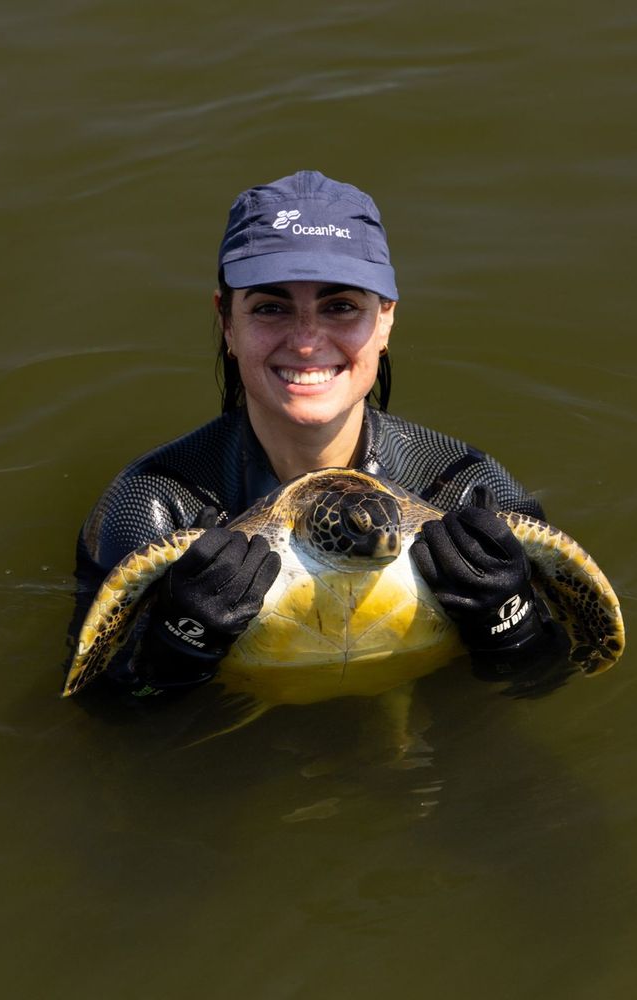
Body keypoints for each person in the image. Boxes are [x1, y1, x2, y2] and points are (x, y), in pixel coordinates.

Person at [69, 170, 569, 698]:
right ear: (227, 322)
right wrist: (179, 643)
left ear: (385, 321)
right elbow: (104, 716)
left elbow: (545, 682)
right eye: (270, 307)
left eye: (340, 306)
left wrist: (508, 623)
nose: (307, 342)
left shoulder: (464, 490)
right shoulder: (153, 504)